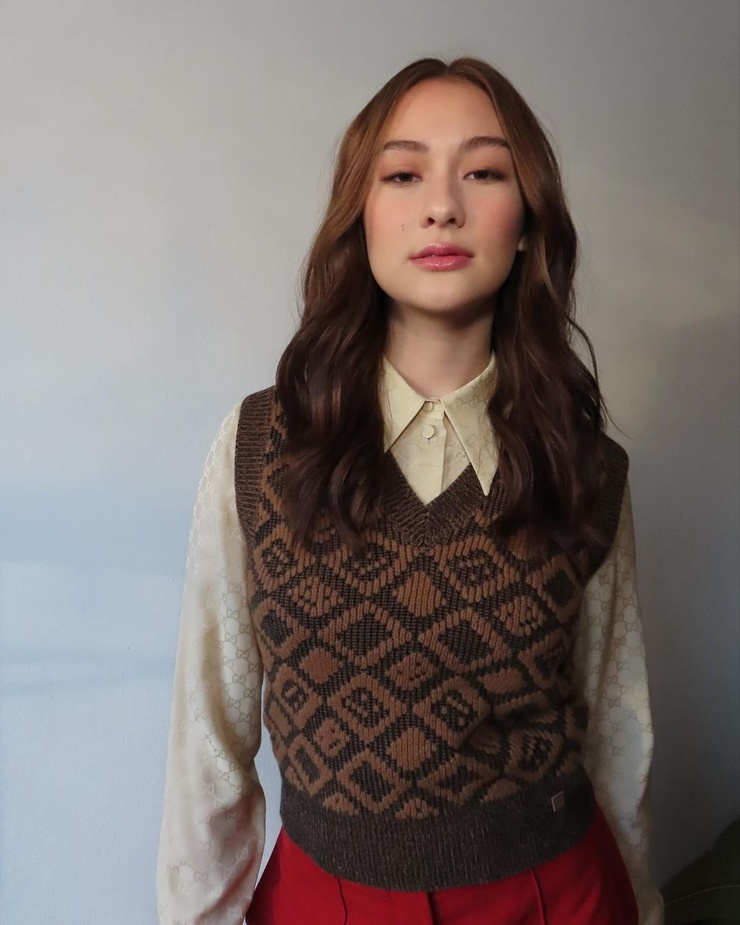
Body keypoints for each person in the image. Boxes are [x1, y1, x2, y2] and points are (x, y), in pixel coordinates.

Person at [157, 57, 664, 925]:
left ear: (528, 221)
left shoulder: (585, 465)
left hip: (554, 898)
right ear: (359, 213)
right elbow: (208, 736)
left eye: (484, 172)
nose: (442, 206)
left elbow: (621, 735)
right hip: (325, 901)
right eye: (403, 174)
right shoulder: (261, 446)